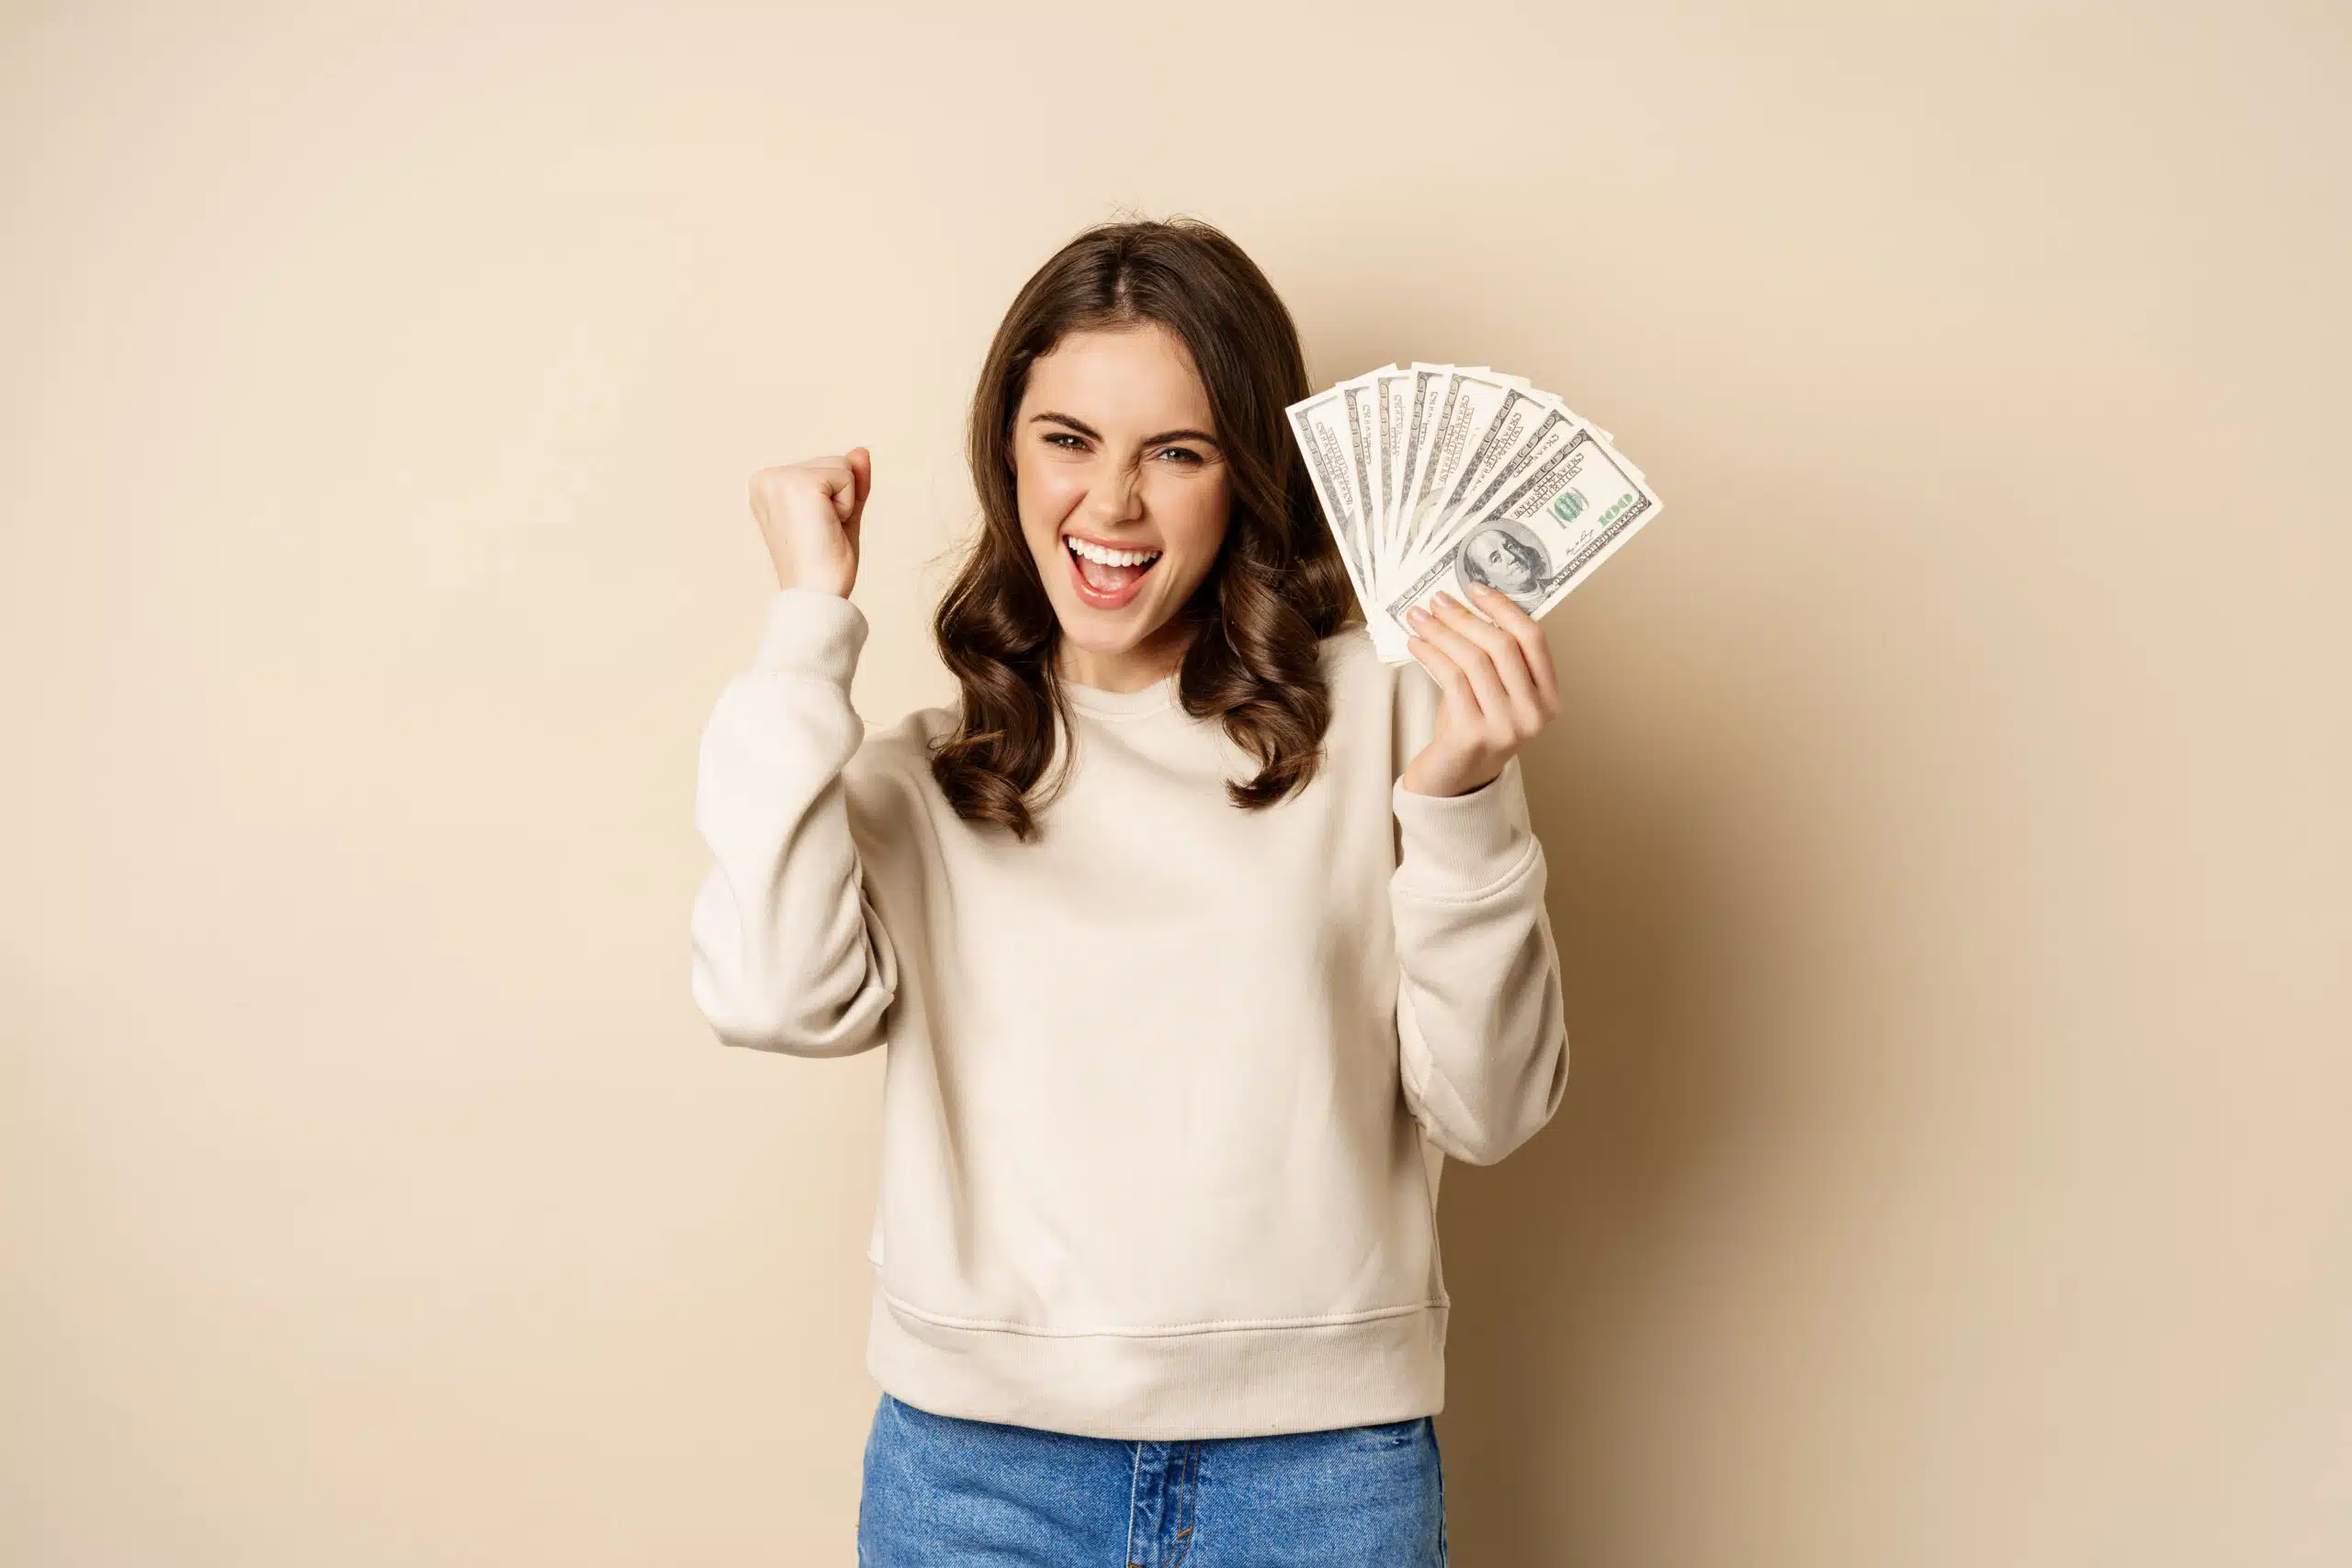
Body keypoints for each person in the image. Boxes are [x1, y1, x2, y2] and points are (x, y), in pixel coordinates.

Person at [688, 217, 1570, 1566]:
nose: (1111, 504)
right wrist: (810, 614)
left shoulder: (1392, 722)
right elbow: (769, 996)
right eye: (1068, 438)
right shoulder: (930, 776)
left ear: (1247, 473)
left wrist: (1458, 802)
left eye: (1176, 450)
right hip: (976, 1478)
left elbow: (1495, 1105)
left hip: (1322, 1483)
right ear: (1006, 454)